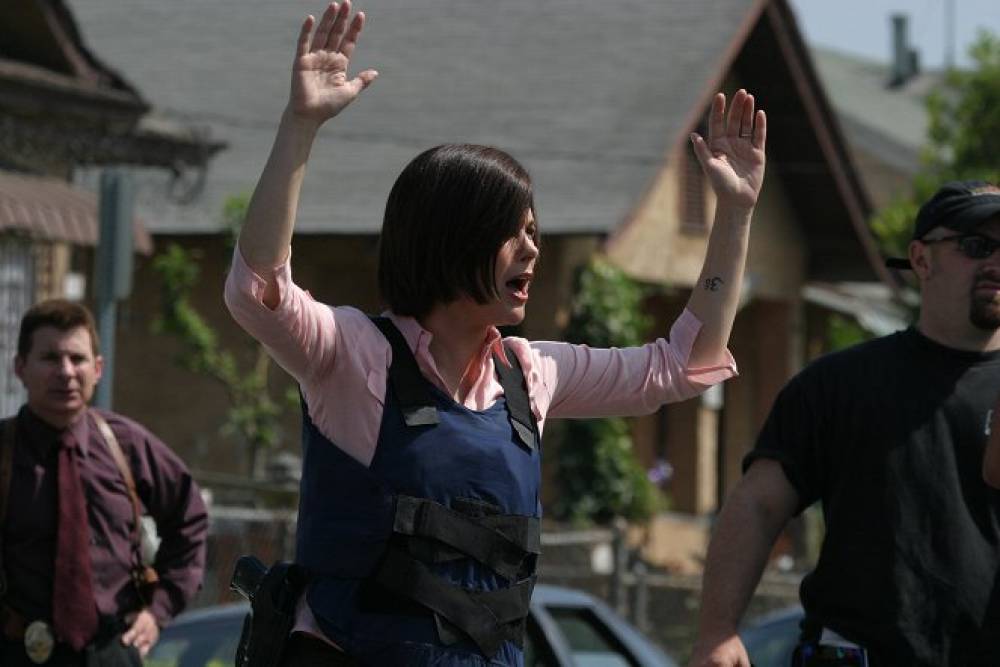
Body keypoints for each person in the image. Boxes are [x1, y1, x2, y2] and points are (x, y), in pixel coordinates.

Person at [224, 2, 767, 665]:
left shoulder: (531, 374)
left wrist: (735, 214)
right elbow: (256, 288)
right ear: (452, 240)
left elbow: (685, 362)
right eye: (513, 232)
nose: (532, 250)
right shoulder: (354, 355)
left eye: (536, 232)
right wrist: (299, 126)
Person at [688, 181, 1000, 667]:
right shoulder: (840, 384)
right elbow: (759, 504)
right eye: (977, 246)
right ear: (921, 260)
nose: (996, 264)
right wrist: (717, 630)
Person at [0, 299, 209, 666]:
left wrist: (158, 610)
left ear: (97, 369)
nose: (65, 372)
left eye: (78, 359)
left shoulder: (126, 446)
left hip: (112, 650)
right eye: (50, 358)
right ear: (20, 367)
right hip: (19, 649)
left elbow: (189, 519)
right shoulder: (5, 452)